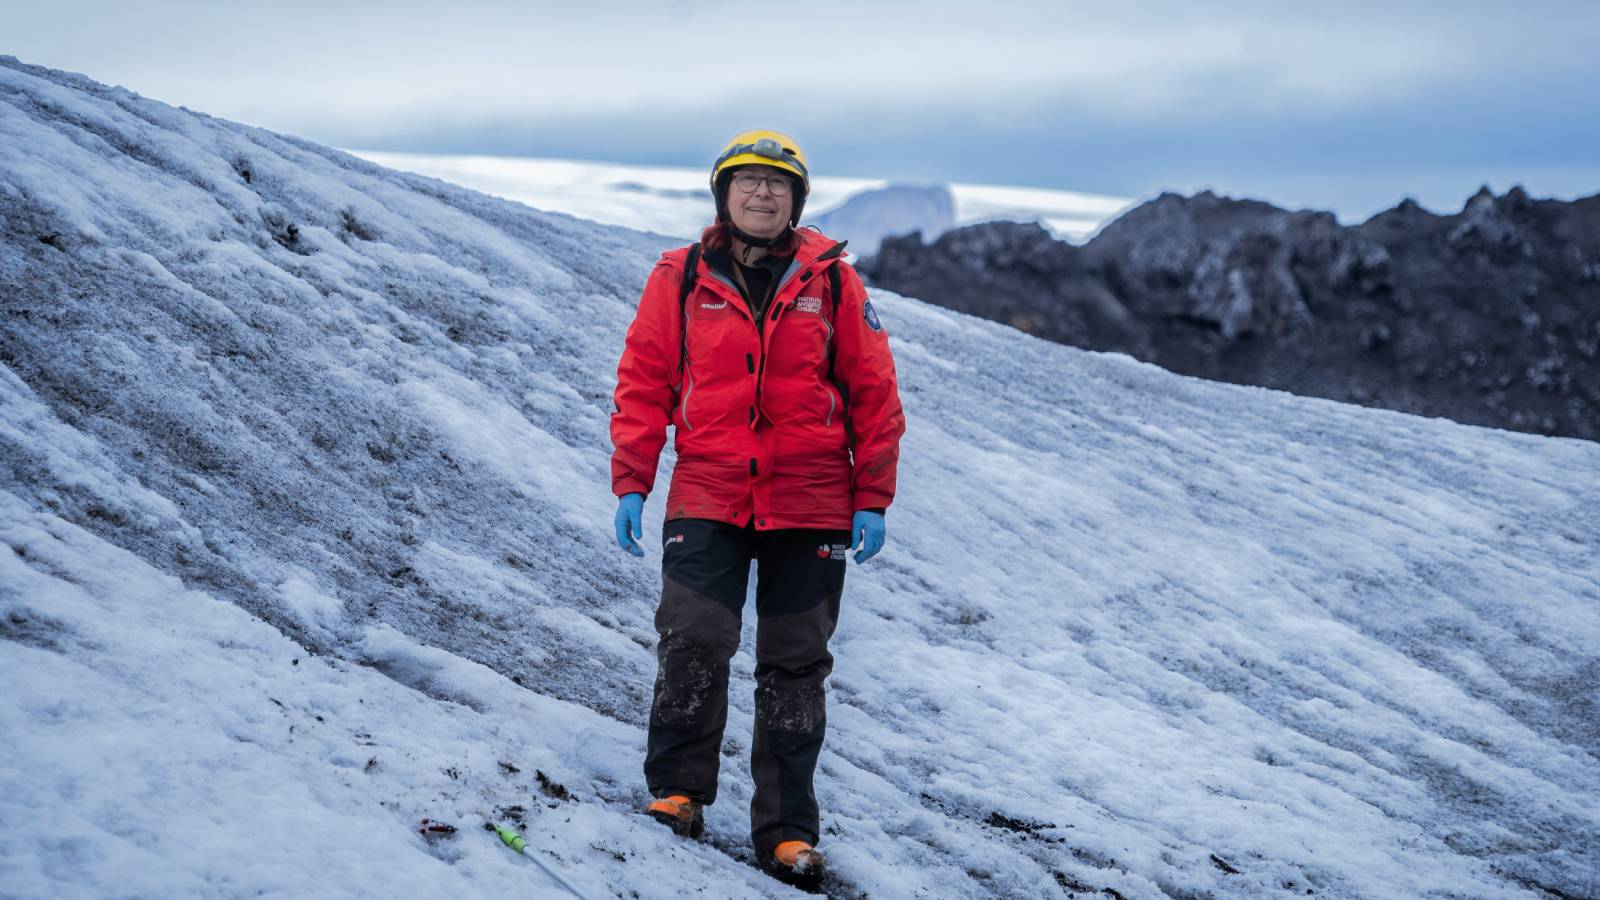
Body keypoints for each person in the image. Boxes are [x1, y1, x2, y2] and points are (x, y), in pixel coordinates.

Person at [608, 128, 905, 887]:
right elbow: (645, 381)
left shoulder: (833, 283)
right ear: (724, 194)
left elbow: (875, 396)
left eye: (778, 184)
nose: (763, 194)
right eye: (748, 182)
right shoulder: (679, 277)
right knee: (693, 639)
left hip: (811, 502)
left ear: (797, 201)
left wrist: (871, 497)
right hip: (708, 490)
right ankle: (677, 791)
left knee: (795, 665)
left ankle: (785, 832)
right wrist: (632, 479)